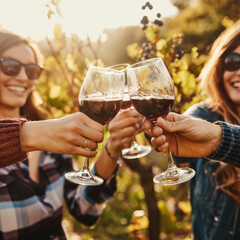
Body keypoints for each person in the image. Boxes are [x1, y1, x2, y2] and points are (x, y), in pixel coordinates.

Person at [0, 30, 144, 239]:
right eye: (10, 66)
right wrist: (28, 135)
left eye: (31, 70)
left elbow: (84, 209)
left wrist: (112, 147)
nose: (22, 77)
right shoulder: (47, 133)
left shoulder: (53, 138)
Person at [145, 20, 240, 239]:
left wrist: (219, 140)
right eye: (233, 61)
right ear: (218, 66)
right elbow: (181, 138)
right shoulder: (204, 114)